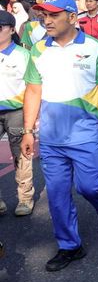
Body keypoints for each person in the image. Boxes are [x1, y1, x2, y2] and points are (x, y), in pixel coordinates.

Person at [21, 0, 98, 272]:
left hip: (86, 133)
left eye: (53, 15)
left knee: (92, 187)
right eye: (43, 15)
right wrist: (29, 130)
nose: (46, 20)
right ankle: (69, 245)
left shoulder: (93, 47)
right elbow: (33, 90)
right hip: (51, 138)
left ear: (72, 17)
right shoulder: (38, 49)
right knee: (57, 195)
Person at [0, 11, 34, 216]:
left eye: (0, 27)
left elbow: (33, 86)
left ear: (12, 30)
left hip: (17, 111)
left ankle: (25, 198)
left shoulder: (23, 55)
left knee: (21, 155)